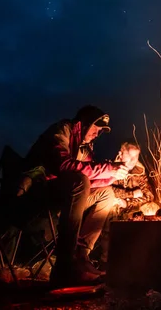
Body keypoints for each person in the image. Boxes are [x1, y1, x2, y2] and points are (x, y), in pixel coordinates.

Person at [23, 105, 128, 287]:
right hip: (39, 193)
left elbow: (90, 180)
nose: (97, 134)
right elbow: (63, 166)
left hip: (65, 197)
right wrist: (107, 168)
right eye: (96, 128)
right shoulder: (63, 130)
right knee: (79, 181)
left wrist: (110, 176)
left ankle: (81, 255)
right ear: (84, 124)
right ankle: (65, 266)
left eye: (100, 131)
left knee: (107, 194)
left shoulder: (85, 148)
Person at [97, 140, 158, 265]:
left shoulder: (140, 173)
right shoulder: (110, 168)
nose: (132, 160)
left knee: (148, 211)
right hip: (112, 206)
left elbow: (149, 195)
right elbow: (107, 189)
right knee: (110, 213)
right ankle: (106, 261)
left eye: (135, 157)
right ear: (120, 154)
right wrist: (131, 193)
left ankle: (135, 259)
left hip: (131, 208)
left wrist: (127, 202)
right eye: (129, 156)